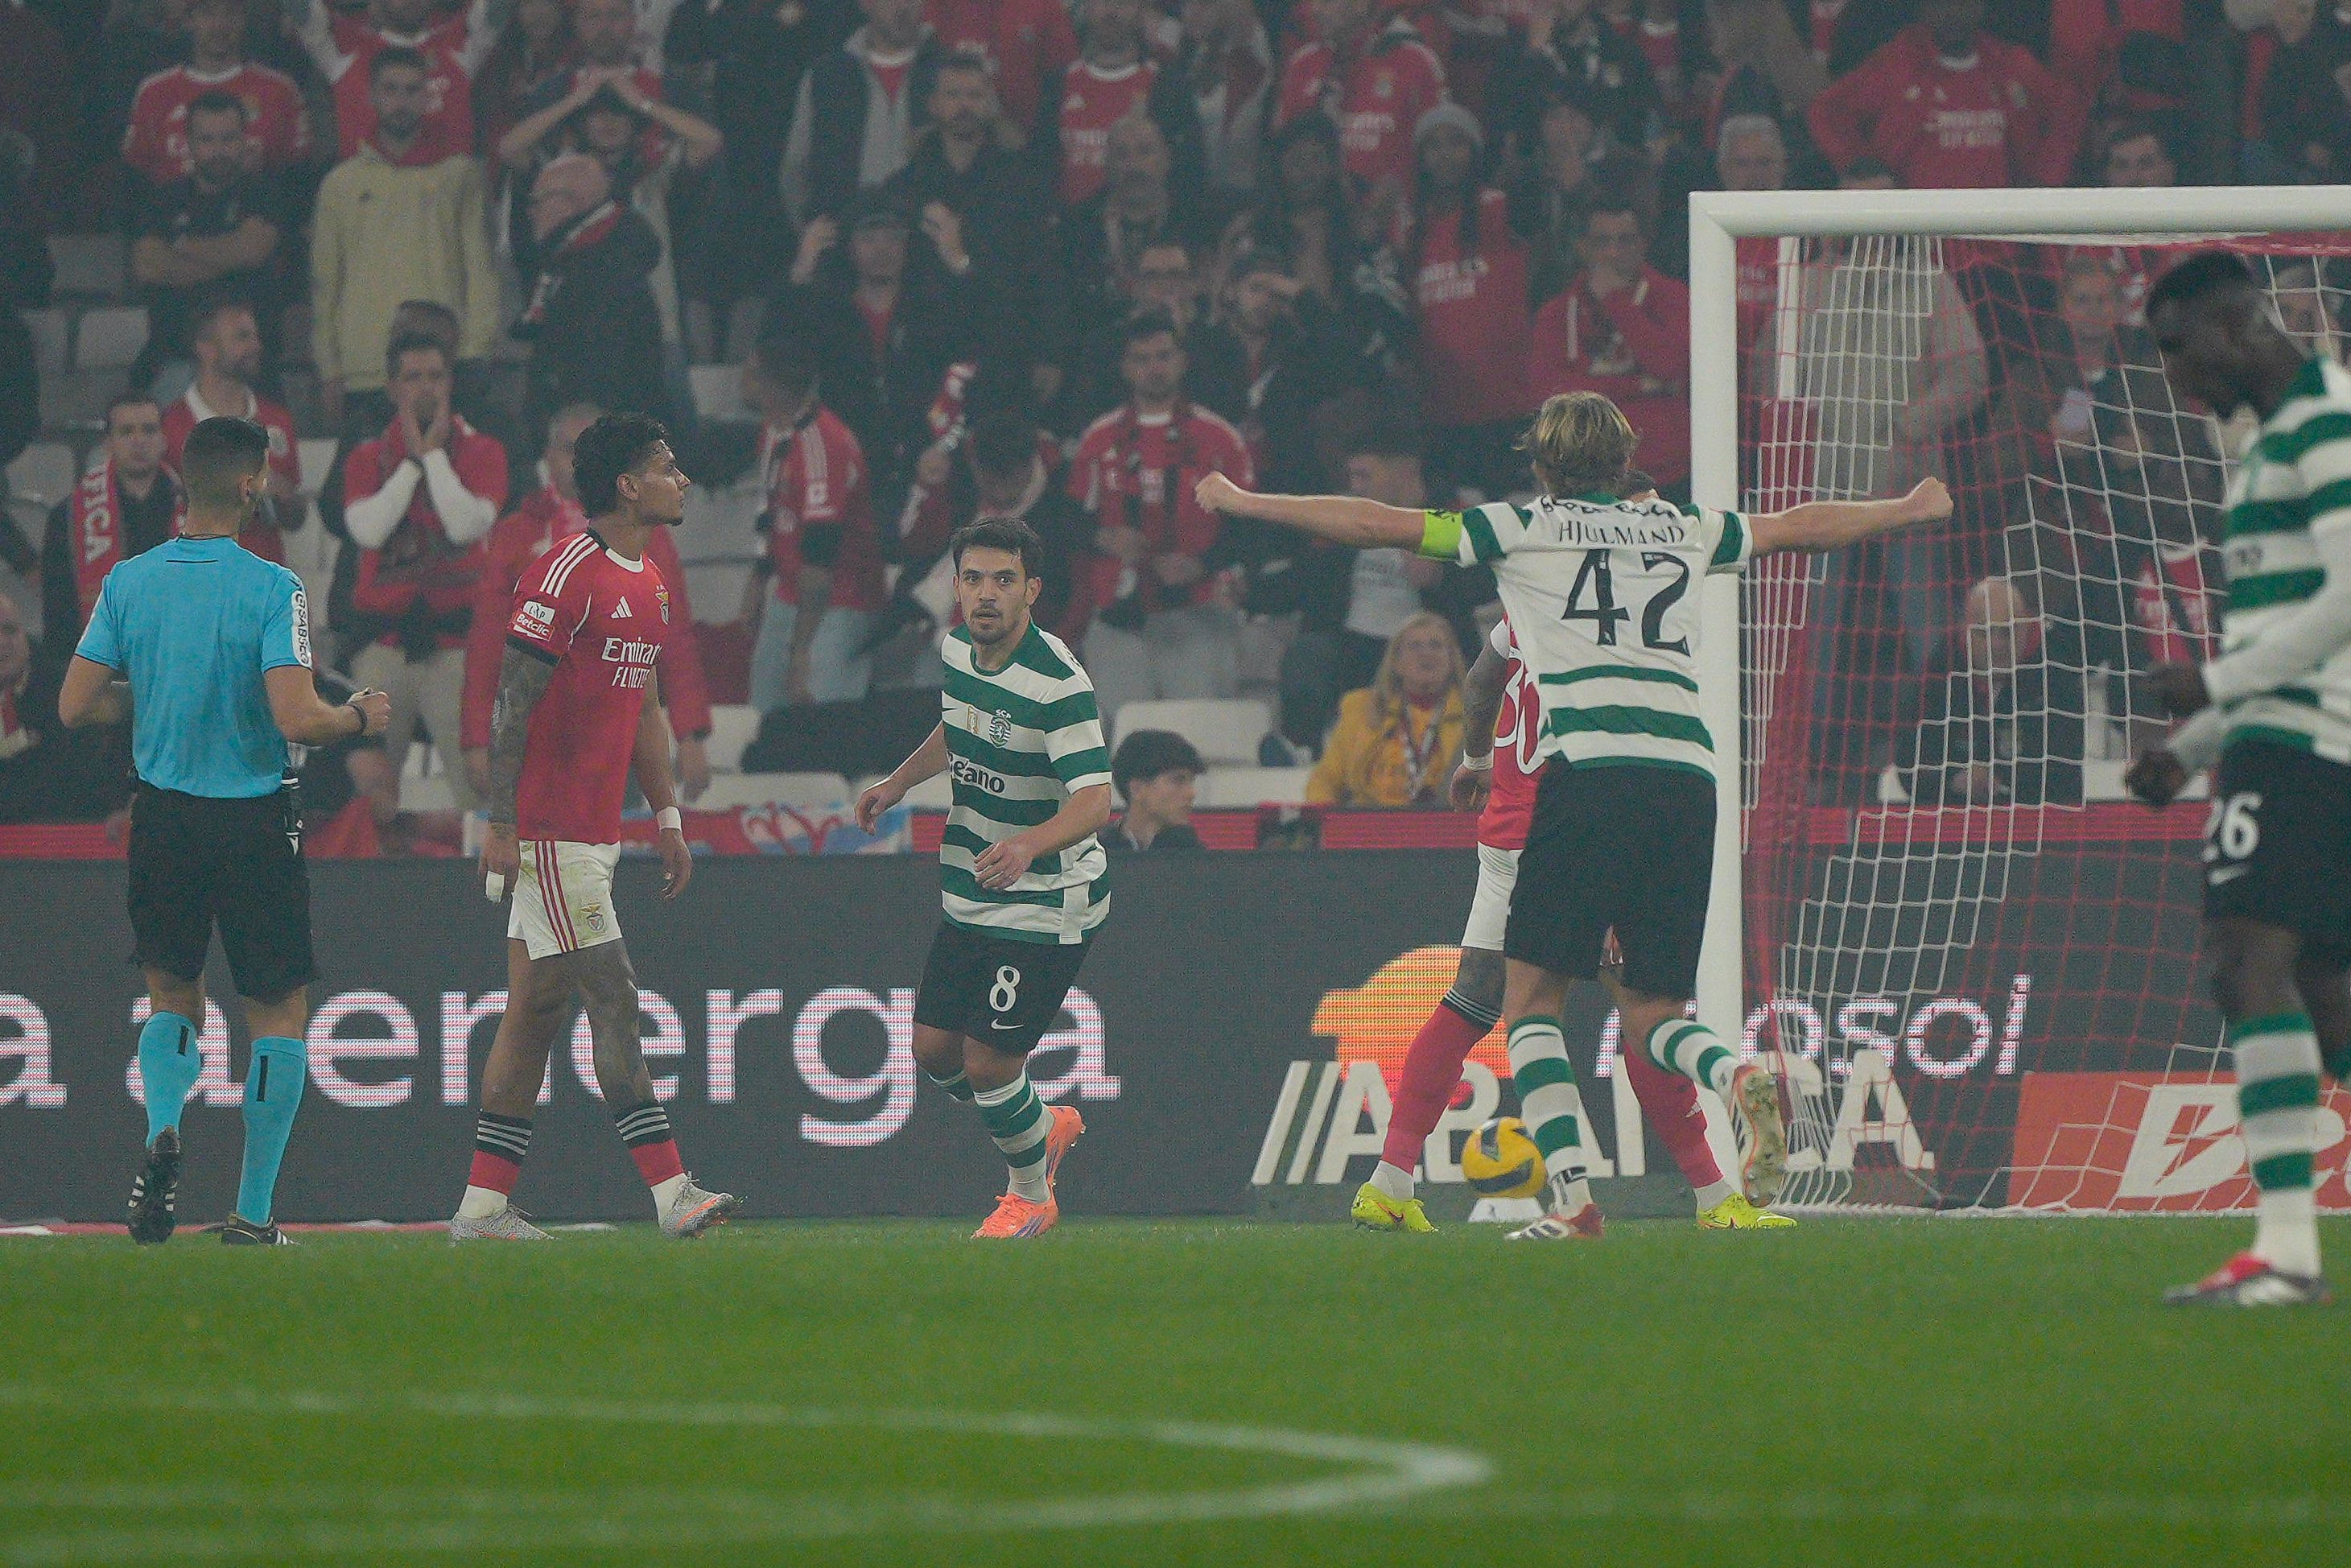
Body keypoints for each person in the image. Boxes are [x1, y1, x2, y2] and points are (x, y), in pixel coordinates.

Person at [1196, 390, 1954, 1238]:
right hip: (1690, 778)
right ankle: (1730, 1072)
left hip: (1587, 774)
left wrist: (1250, 502)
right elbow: (1790, 526)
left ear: (1543, 467)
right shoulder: (1680, 527)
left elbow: (1383, 524)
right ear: (1624, 460)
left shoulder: (1523, 531)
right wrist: (1903, 507)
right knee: (1651, 1011)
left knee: (1527, 1001)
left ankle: (1569, 1201)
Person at [1349, 556, 1789, 1236]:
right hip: (1571, 833)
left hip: (1505, 837)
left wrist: (1472, 761)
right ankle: (1707, 1192)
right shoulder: (1610, 634)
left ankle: (1389, 1182)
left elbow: (1478, 680)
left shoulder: (1525, 611)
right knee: (1636, 1004)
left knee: (1474, 997)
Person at [57, 415, 393, 1247]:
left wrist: (152, 695)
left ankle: (164, 1127)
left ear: (183, 487)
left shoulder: (129, 583)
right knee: (276, 1011)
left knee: (173, 994)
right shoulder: (271, 586)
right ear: (249, 487)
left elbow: (72, 705)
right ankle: (251, 1211)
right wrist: (356, 717)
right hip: (251, 820)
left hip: (163, 819)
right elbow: (296, 715)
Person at [2126, 251, 2351, 1307]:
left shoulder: (2324, 422)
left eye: (2179, 351)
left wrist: (2208, 687)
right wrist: (2194, 743)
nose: (2176, 379)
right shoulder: (2263, 450)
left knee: (2243, 961)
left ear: (2235, 320)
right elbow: (2283, 625)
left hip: (2311, 742)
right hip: (2286, 735)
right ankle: (2288, 1252)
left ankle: (2286, 1253)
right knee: (2323, 998)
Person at [458, 412, 737, 1241]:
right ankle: (671, 1191)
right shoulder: (564, 573)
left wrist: (668, 817)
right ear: (626, 484)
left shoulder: (648, 579)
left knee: (536, 1011)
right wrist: (501, 820)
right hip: (547, 832)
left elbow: (646, 708)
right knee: (611, 993)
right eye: (666, 467)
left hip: (593, 830)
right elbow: (513, 700)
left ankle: (479, 1209)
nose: (680, 480)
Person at [854, 518, 1109, 1238]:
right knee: (934, 1055)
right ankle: (1041, 1123)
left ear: (1032, 589)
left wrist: (1029, 845)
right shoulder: (959, 648)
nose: (986, 595)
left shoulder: (1057, 683)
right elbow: (956, 725)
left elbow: (1096, 801)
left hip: (1047, 894)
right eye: (972, 579)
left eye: (1003, 580)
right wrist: (899, 782)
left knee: (991, 1063)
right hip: (973, 880)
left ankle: (1030, 1195)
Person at [462, 402, 712, 808]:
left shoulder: (648, 533)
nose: (579, 461)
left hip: (621, 736)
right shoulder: (514, 536)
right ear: (548, 458)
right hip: (539, 734)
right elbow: (490, 646)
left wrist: (690, 734)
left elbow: (675, 639)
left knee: (619, 856)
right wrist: (477, 739)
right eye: (568, 449)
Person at [340, 334, 509, 815]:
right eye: (412, 378)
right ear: (393, 388)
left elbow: (466, 523)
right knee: (368, 800)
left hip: (456, 652)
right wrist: (413, 465)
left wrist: (432, 456)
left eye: (435, 376)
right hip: (383, 651)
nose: (425, 389)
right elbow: (368, 532)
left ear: (450, 383)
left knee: (481, 794)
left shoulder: (484, 451)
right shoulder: (366, 457)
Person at [1068, 308, 1256, 724]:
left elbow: (1250, 527)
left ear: (1182, 361)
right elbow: (1066, 522)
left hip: (1199, 611)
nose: (1154, 368)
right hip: (1120, 617)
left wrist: (1201, 564)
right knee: (1118, 736)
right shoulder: (1099, 439)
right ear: (1125, 368)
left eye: (1164, 356)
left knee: (1196, 731)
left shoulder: (1218, 436)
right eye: (1142, 358)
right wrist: (1106, 538)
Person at [310, 47, 501, 436]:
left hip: (440, 367)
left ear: (428, 96)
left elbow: (480, 271)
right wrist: (330, 369)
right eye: (391, 90)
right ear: (372, 96)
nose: (402, 101)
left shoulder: (460, 176)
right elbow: (326, 282)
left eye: (413, 91)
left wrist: (474, 353)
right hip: (365, 369)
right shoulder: (341, 183)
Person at [741, 332, 886, 713]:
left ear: (771, 388)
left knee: (823, 711)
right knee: (765, 709)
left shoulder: (824, 443)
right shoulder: (775, 432)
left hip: (842, 599)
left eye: (751, 375)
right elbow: (770, 508)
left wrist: (801, 650)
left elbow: (821, 553)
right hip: (791, 592)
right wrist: (759, 578)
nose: (743, 383)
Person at [1806, 0, 2085, 190]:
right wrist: (1862, 165)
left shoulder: (2010, 64)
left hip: (1998, 242)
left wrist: (2044, 179)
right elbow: (1827, 111)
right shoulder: (1897, 62)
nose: (1952, 12)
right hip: (1916, 241)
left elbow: (2068, 109)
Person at [1529, 189, 1691, 497]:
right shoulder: (1557, 313)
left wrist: (1616, 301)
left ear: (1644, 243)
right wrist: (1641, 386)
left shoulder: (1673, 296)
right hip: (1584, 478)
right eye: (1602, 242)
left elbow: (1670, 366)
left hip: (1667, 472)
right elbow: (1552, 392)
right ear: (1582, 247)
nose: (1614, 253)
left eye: (1626, 240)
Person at [130, 90, 287, 389]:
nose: (218, 151)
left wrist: (181, 249)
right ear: (188, 143)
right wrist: (230, 256)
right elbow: (147, 266)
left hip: (250, 366)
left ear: (244, 140)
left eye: (228, 139)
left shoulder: (263, 193)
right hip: (173, 358)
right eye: (207, 140)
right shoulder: (163, 198)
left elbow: (253, 250)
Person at [1897, 575, 2085, 807]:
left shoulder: (2056, 675)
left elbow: (2064, 774)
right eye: (1983, 633)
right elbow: (1909, 766)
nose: (1996, 645)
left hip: (2039, 824)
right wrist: (1957, 779)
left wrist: (1997, 780)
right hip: (1956, 824)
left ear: (2027, 628)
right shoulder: (1941, 671)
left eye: (2007, 633)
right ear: (1965, 632)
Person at [514, 154, 671, 426]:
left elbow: (604, 373)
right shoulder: (576, 258)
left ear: (574, 202)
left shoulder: (607, 270)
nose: (531, 212)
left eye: (538, 201)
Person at [780, 0, 947, 226]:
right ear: (865, 4)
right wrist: (814, 233)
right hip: (846, 246)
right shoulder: (827, 76)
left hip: (928, 246)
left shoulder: (952, 73)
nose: (902, 6)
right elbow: (796, 169)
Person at [162, 298, 300, 566]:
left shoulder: (277, 420)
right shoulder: (171, 426)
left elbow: (296, 520)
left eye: (255, 337)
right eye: (242, 337)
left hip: (264, 589)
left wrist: (284, 497)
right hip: (196, 585)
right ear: (206, 348)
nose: (256, 346)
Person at [43, 395, 184, 650]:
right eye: (127, 432)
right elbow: (59, 616)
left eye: (149, 430)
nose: (139, 441)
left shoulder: (194, 508)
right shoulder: (67, 517)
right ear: (108, 442)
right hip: (101, 668)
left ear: (164, 440)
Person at [121, 0, 311, 188]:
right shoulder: (154, 92)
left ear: (244, 19)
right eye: (208, 12)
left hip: (258, 215)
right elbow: (135, 177)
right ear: (188, 20)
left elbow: (299, 178)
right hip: (173, 216)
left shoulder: (279, 90)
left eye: (231, 13)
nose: (220, 25)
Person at [1273, 0, 1446, 205]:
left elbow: (1442, 149)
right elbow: (1280, 150)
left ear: (1361, 4)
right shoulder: (1304, 63)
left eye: (1326, 2)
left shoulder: (1416, 61)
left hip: (1397, 221)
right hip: (1317, 221)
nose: (1315, 10)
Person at [1039, 0, 1200, 208]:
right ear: (1086, 7)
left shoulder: (1168, 87)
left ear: (1142, 9)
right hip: (1070, 230)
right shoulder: (1058, 85)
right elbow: (1040, 166)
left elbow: (1188, 173)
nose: (1112, 11)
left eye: (1123, 2)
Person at [292, 0, 494, 163]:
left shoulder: (457, 43)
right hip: (365, 203)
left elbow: (494, 11)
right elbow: (306, 13)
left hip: (444, 204)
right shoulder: (346, 47)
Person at [1305, 612, 1466, 807]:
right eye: (1415, 646)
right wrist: (1334, 828)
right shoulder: (1360, 709)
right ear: (1396, 662)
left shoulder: (1480, 716)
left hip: (1446, 829)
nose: (1426, 654)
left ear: (1452, 660)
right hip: (1369, 827)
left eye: (1436, 645)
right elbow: (1324, 782)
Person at [1108, 728, 1204, 852]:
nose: (1192, 793)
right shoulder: (1099, 852)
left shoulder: (1195, 856)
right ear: (1137, 789)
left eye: (1191, 781)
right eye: (1178, 780)